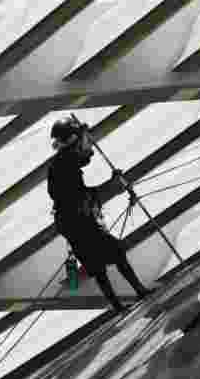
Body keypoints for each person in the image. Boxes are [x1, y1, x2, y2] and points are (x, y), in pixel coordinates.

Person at [47, 116, 150, 313]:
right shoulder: (66, 164)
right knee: (115, 252)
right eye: (82, 140)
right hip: (77, 222)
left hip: (71, 222)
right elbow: (80, 195)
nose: (87, 146)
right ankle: (137, 292)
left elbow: (79, 193)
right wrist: (111, 186)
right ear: (72, 141)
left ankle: (119, 304)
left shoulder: (61, 164)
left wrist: (107, 187)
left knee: (96, 263)